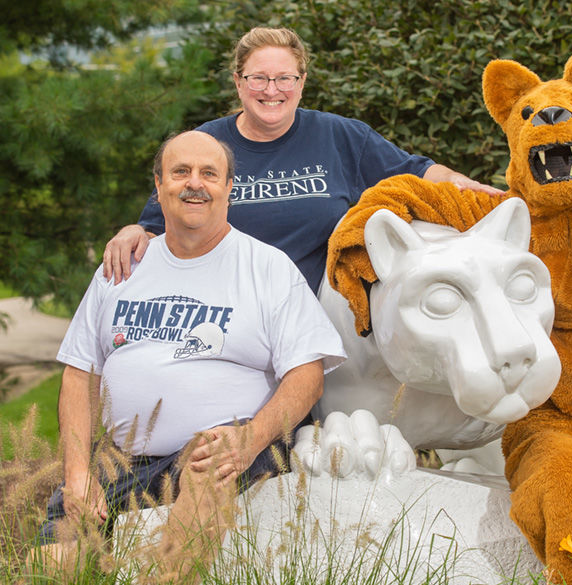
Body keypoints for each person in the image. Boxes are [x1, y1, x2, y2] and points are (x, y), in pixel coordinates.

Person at [32, 130, 346, 580]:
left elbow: (307, 375)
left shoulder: (268, 268)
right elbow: (80, 373)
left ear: (229, 189)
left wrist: (252, 438)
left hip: (224, 451)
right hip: (122, 460)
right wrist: (79, 473)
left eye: (208, 174)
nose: (194, 183)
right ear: (158, 187)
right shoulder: (122, 267)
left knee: (210, 459)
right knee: (48, 570)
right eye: (180, 172)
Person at [103, 26, 504, 290]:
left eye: (285, 78)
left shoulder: (340, 135)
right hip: (221, 313)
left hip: (316, 320)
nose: (271, 89)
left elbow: (417, 171)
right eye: (258, 78)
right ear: (238, 82)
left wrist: (462, 185)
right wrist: (131, 232)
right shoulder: (205, 143)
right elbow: (155, 224)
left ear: (302, 82)